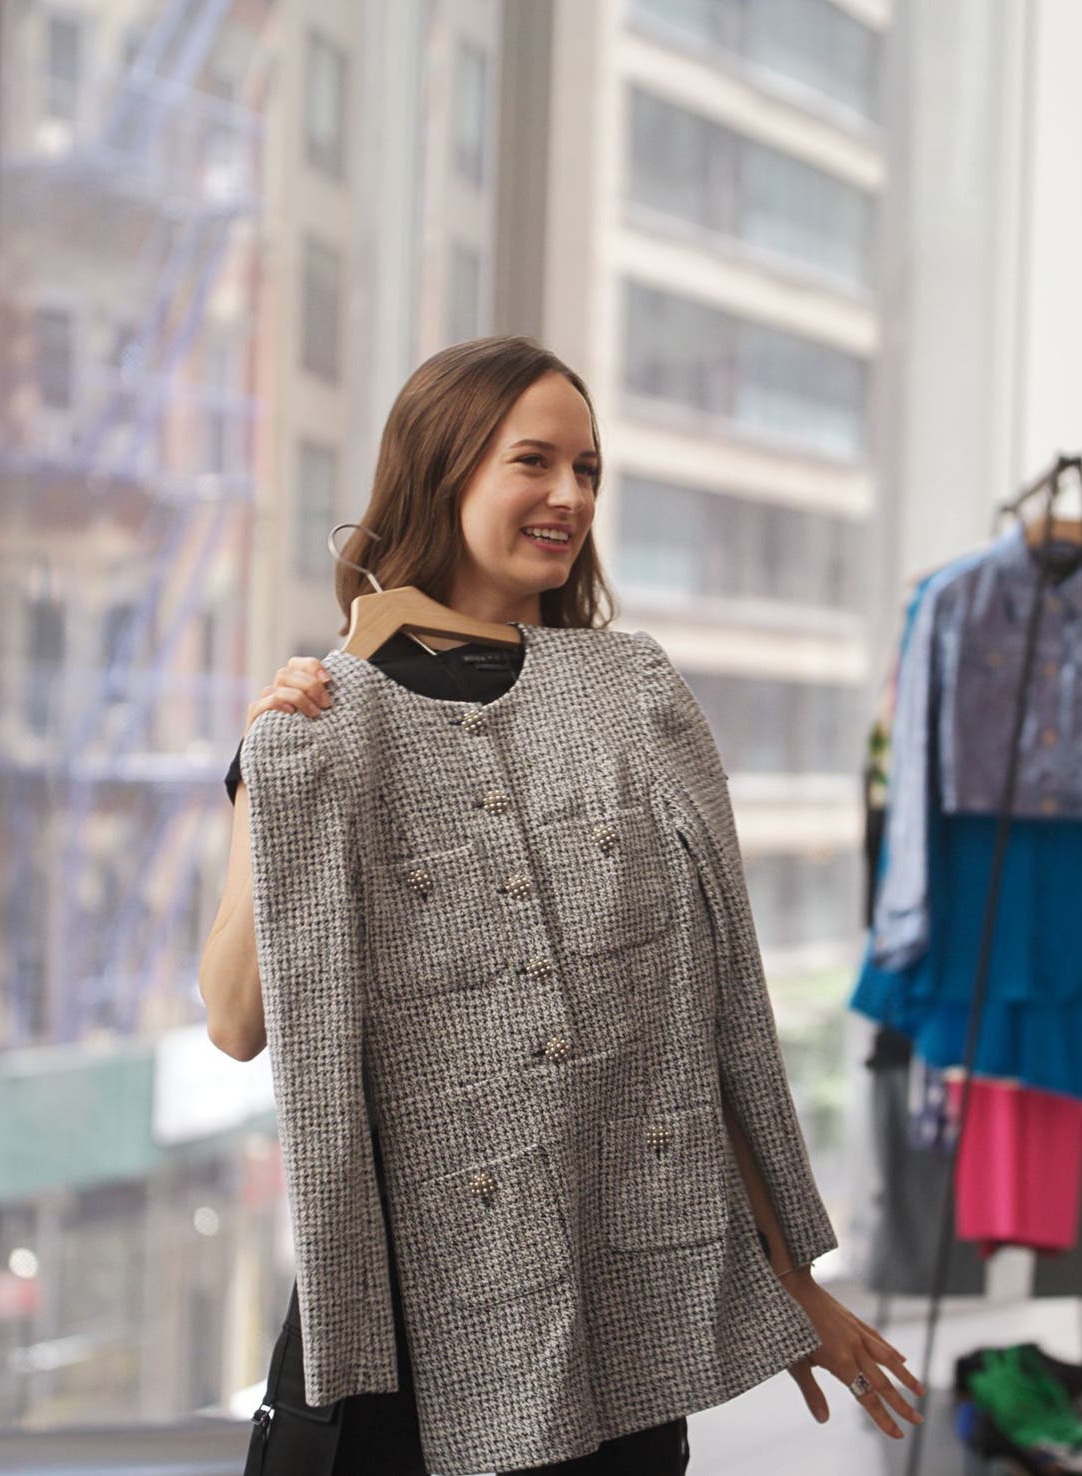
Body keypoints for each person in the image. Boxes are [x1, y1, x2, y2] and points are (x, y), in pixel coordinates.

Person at [197, 336, 921, 1474]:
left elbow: (717, 1021)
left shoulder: (632, 696)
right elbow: (236, 1021)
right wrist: (271, 769)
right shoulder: (318, 725)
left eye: (588, 469)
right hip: (389, 1361)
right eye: (533, 461)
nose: (569, 497)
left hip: (608, 1340)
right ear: (445, 469)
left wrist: (791, 1290)